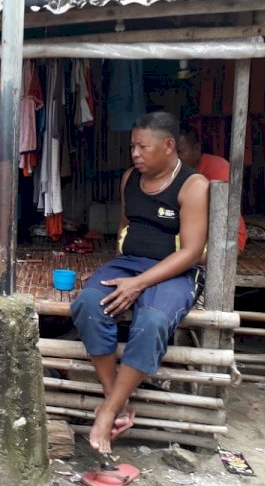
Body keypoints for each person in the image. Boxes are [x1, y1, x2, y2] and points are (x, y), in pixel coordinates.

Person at [71, 111, 209, 455]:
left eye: (142, 146)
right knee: (88, 303)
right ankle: (112, 398)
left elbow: (192, 252)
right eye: (132, 145)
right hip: (127, 263)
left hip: (175, 271)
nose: (134, 153)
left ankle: (107, 414)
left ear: (168, 146)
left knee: (152, 321)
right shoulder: (129, 178)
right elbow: (125, 228)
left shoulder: (194, 185)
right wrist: (108, 272)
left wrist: (139, 284)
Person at [177, 125, 247, 252]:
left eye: (179, 152)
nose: (175, 158)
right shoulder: (176, 171)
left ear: (197, 149)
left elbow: (220, 218)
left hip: (224, 240)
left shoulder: (218, 168)